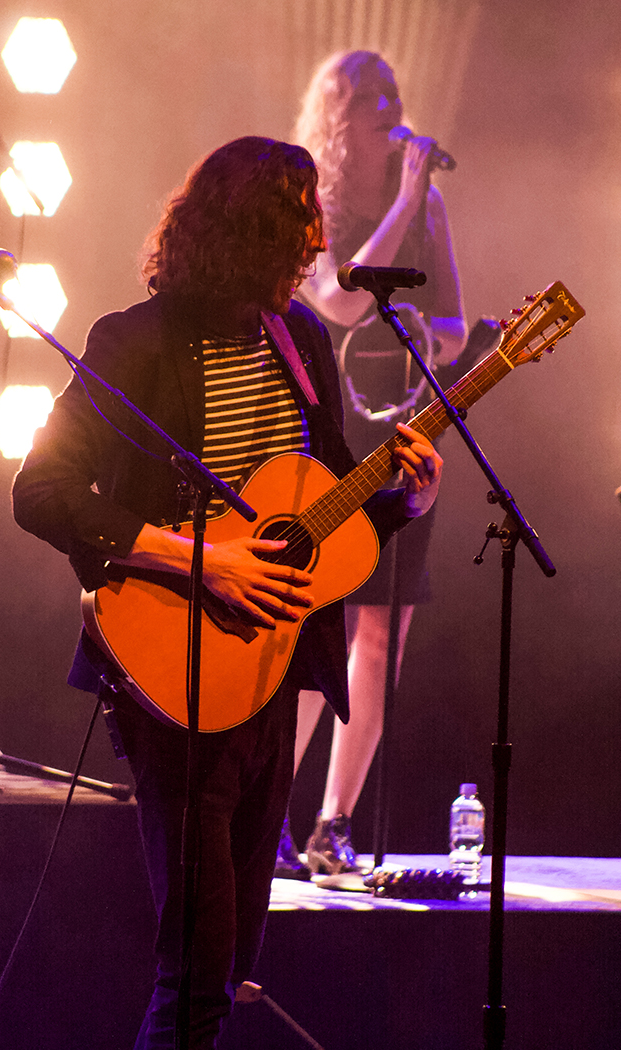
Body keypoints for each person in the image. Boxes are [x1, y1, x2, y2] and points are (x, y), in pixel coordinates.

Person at [11, 136, 443, 1049]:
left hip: (268, 679)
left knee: (236, 962)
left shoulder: (303, 341)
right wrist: (199, 561)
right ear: (248, 229)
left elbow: (312, 521)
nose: (318, 239)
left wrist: (398, 501)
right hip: (172, 680)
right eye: (302, 217)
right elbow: (40, 492)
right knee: (196, 975)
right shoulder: (135, 341)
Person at [275, 50, 466, 878]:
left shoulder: (430, 206)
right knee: (319, 627)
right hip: (331, 429)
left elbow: (455, 327)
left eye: (395, 97)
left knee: (382, 634)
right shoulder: (313, 199)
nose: (390, 114)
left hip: (405, 430)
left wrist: (428, 338)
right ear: (338, 113)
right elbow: (339, 296)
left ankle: (333, 824)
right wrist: (408, 197)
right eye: (371, 100)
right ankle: (267, 819)